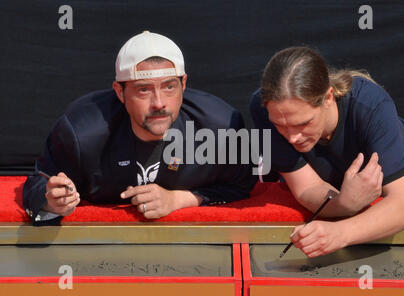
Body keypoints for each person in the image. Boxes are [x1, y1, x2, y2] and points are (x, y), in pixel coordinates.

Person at [23, 31, 257, 225]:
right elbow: (40, 182)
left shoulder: (219, 126)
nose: (159, 103)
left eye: (169, 87)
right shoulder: (82, 132)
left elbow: (241, 183)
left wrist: (180, 199)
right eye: (144, 89)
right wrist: (51, 201)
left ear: (184, 84)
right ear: (120, 92)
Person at [250, 46, 404, 258]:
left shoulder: (370, 105)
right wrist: (344, 204)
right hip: (338, 186)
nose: (292, 137)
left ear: (328, 98)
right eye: (280, 126)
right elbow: (307, 188)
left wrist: (339, 233)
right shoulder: (263, 107)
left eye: (303, 123)